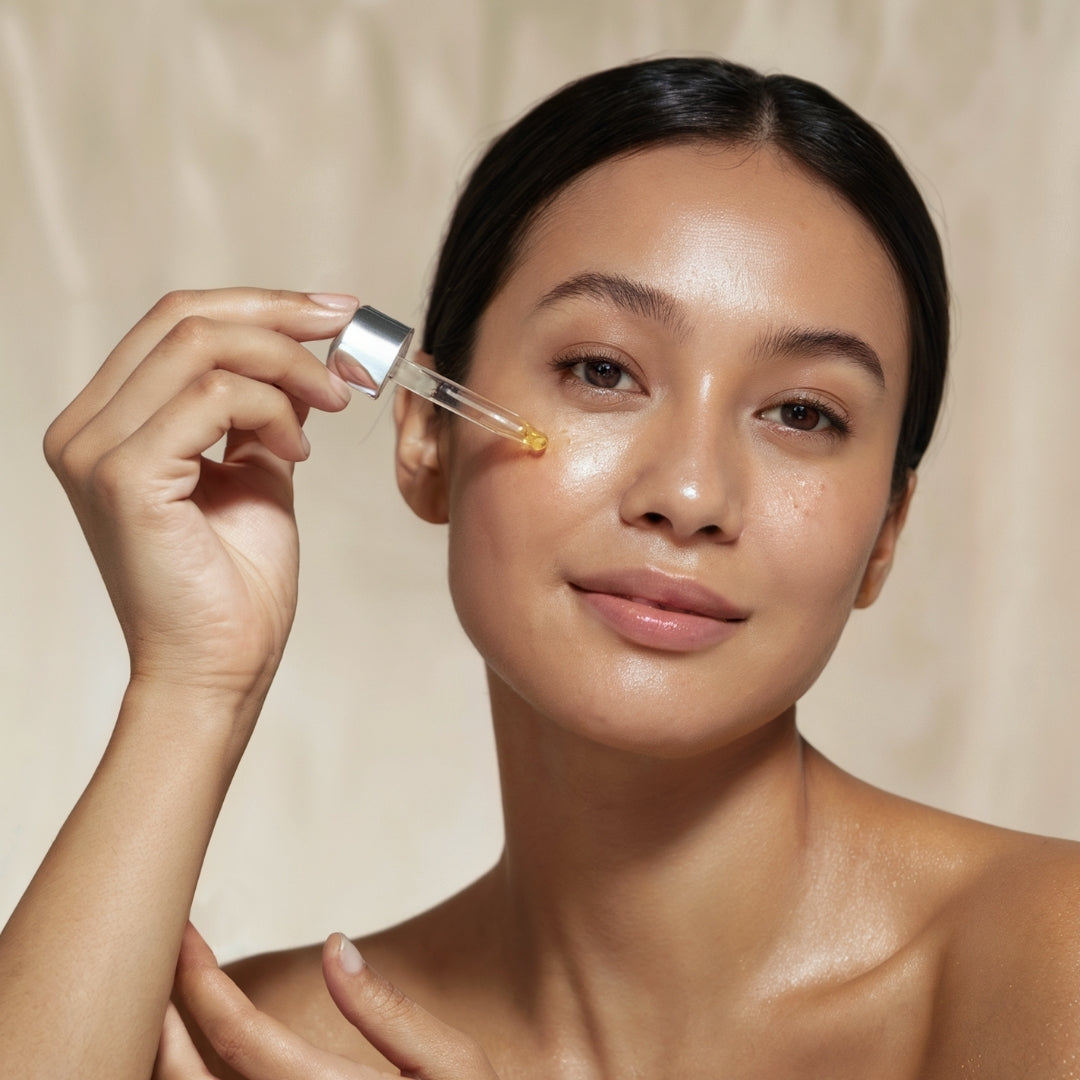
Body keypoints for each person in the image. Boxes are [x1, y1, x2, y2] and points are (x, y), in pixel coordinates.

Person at [2, 55, 1078, 1080]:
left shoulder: (1045, 965)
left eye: (802, 413)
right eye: (602, 370)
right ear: (424, 432)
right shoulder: (269, 1045)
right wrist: (194, 683)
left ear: (887, 528)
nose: (691, 496)